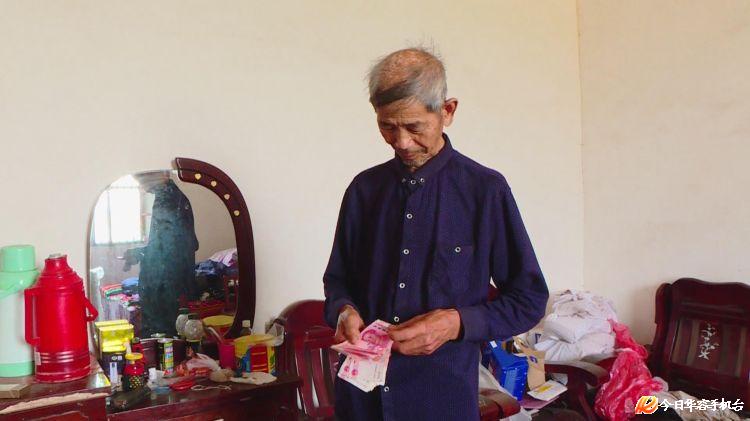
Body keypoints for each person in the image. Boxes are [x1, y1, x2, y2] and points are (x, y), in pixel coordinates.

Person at [323, 48, 550, 420]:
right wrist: (343, 310)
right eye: (387, 126)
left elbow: (528, 299)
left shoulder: (485, 191)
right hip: (361, 402)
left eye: (414, 127)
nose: (401, 142)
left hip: (441, 402)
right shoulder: (363, 191)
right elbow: (337, 279)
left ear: (447, 111)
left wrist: (455, 324)